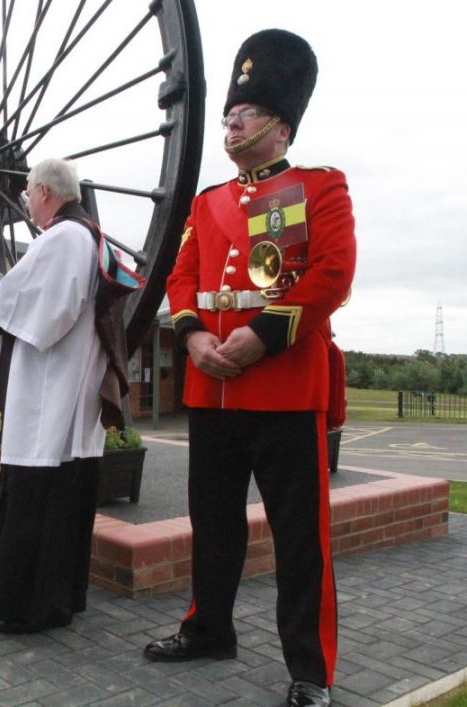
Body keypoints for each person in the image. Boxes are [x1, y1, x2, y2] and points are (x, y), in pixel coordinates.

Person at [144, 30, 356, 707]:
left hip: (286, 389)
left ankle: (310, 670)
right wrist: (193, 337)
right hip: (212, 389)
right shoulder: (206, 203)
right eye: (230, 112)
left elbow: (332, 273)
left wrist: (264, 335)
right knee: (213, 525)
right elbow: (182, 278)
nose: (230, 121)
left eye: (246, 111)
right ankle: (209, 628)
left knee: (301, 542)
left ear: (280, 125)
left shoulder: (320, 188)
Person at [0, 157, 129, 634]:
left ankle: (26, 607)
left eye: (30, 192)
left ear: (46, 193)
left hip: (46, 401)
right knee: (64, 508)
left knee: (35, 506)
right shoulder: (87, 235)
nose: (28, 201)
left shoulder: (63, 238)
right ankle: (58, 600)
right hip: (63, 399)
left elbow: (49, 313)